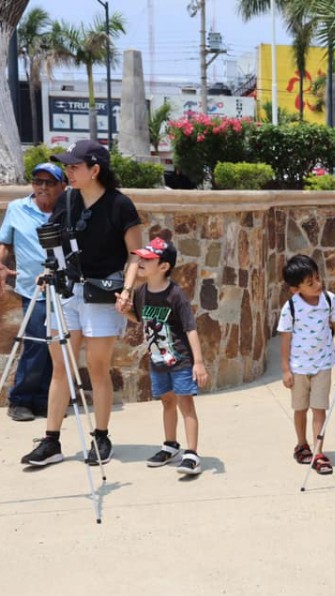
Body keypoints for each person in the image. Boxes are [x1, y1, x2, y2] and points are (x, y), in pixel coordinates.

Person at [20, 140, 143, 467]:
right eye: (68, 167)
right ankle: (51, 440)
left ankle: (101, 436)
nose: (68, 172)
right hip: (66, 292)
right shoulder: (68, 200)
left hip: (101, 295)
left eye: (75, 167)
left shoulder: (120, 205)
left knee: (98, 369)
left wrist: (128, 290)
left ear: (95, 170)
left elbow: (135, 253)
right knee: (60, 368)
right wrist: (48, 271)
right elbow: (54, 240)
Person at [124, 237, 209, 476]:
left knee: (185, 403)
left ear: (163, 267)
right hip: (157, 360)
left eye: (148, 259)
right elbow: (140, 318)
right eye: (141, 257)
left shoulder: (175, 294)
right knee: (166, 401)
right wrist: (125, 312)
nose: (140, 261)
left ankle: (192, 453)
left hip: (180, 359)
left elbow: (190, 328)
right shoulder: (141, 292)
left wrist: (199, 363)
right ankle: (170, 446)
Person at [0, 163, 66, 421]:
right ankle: (21, 400)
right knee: (37, 343)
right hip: (33, 289)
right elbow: (4, 241)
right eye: (38, 181)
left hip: (62, 290)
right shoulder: (18, 208)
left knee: (57, 346)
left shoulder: (67, 210)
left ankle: (44, 401)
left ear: (62, 186)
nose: (42, 187)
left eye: (49, 183)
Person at [277, 254, 335, 475]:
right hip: (298, 367)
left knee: (319, 408)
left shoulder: (329, 300)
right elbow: (285, 338)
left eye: (317, 278)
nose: (317, 284)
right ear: (295, 289)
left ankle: (318, 452)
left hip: (323, 363)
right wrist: (286, 369)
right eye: (310, 283)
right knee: (300, 408)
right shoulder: (291, 308)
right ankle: (302, 444)